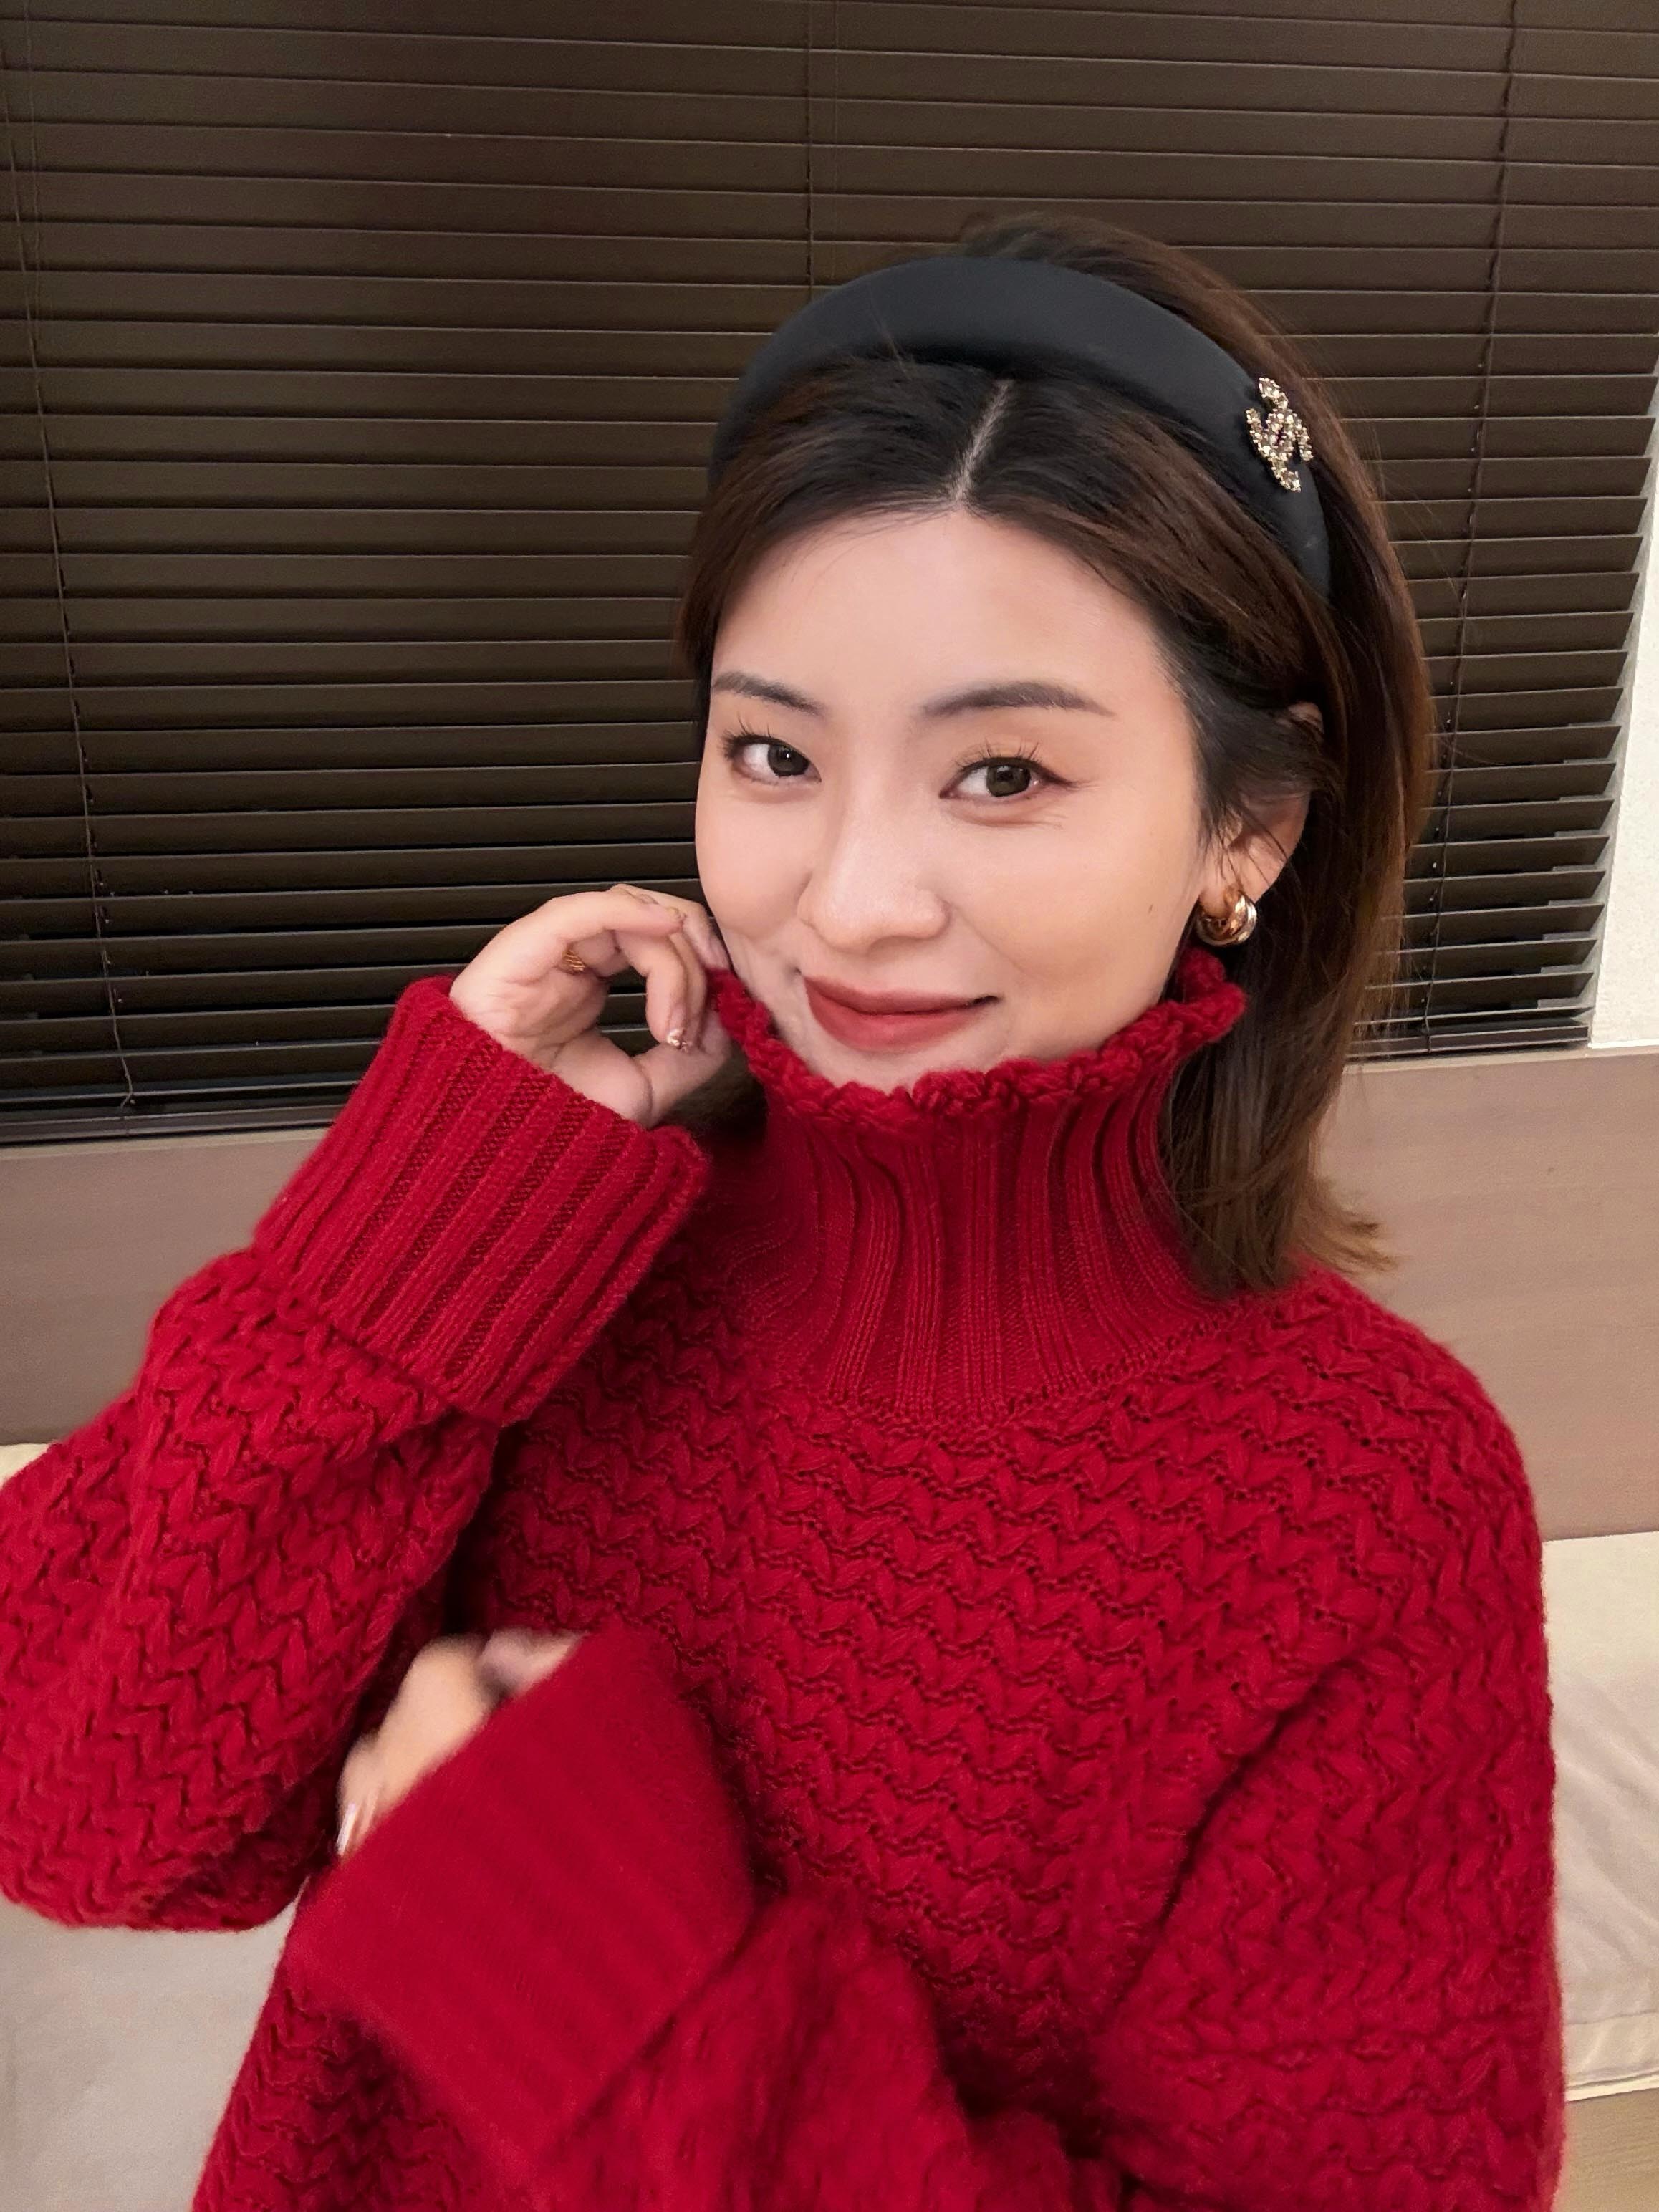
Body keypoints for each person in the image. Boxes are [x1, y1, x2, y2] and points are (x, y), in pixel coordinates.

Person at [0, 212, 1565, 2211]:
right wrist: (414, 1234)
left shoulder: (1363, 1501)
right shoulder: (546, 1269)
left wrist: (628, 1992)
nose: (848, 900)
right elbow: (85, 1812)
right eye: (771, 754)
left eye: (1004, 775)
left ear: (1246, 824)